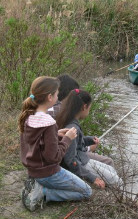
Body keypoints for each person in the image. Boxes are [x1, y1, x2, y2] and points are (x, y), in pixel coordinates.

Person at [18, 76, 92, 212]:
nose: (59, 96)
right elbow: (54, 157)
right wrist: (67, 139)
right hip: (48, 172)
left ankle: (37, 185)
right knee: (86, 192)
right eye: (57, 93)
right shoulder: (48, 122)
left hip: (33, 170)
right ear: (50, 97)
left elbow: (36, 142)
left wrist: (56, 134)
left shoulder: (29, 116)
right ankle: (43, 193)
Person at [56, 89, 122, 186]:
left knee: (111, 170)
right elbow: (70, 160)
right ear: (84, 107)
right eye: (89, 108)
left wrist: (89, 140)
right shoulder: (73, 128)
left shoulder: (67, 119)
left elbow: (76, 142)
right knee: (117, 181)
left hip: (82, 159)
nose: (89, 111)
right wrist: (92, 177)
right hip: (81, 163)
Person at [48, 74, 114, 167]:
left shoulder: (50, 107)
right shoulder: (63, 111)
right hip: (64, 157)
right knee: (109, 162)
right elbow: (70, 150)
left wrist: (87, 141)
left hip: (60, 152)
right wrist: (88, 148)